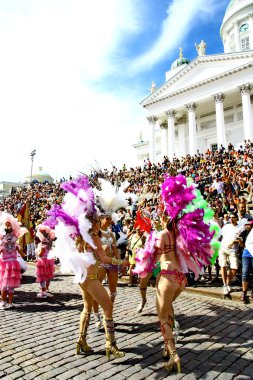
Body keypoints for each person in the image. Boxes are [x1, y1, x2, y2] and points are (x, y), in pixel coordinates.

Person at [155, 214, 186, 372]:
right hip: (180, 278)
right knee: (168, 310)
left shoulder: (162, 234)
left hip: (168, 276)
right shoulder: (178, 233)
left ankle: (174, 356)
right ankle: (167, 348)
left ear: (165, 218)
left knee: (162, 317)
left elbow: (154, 256)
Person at [93, 213, 122, 329]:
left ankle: (107, 313)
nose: (110, 221)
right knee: (96, 290)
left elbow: (115, 249)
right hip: (100, 263)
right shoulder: (96, 233)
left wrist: (120, 262)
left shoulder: (111, 234)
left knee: (113, 291)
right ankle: (96, 315)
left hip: (111, 263)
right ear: (101, 219)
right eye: (107, 219)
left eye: (111, 219)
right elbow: (93, 248)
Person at [0, 212, 27, 309]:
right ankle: (10, 303)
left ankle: (3, 303)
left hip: (5, 264)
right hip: (13, 264)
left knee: (4, 284)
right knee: (11, 285)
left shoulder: (2, 244)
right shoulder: (15, 244)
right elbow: (23, 255)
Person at [219, 213, 245, 295]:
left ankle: (228, 282)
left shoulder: (241, 227)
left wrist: (235, 241)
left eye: (233, 217)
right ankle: (225, 285)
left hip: (233, 250)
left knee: (234, 268)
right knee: (223, 266)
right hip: (223, 248)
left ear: (237, 218)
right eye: (230, 218)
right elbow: (221, 236)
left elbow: (241, 241)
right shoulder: (226, 226)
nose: (232, 219)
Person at [35, 224, 56, 298]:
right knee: (48, 275)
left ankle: (43, 291)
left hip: (42, 261)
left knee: (41, 276)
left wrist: (37, 252)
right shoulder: (48, 243)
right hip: (48, 260)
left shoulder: (43, 245)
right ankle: (46, 289)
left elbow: (40, 254)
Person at [240, 220, 253, 302]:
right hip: (246, 254)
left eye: (249, 225)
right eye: (246, 225)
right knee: (245, 273)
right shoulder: (244, 233)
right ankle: (244, 292)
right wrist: (240, 241)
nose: (248, 226)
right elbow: (242, 245)